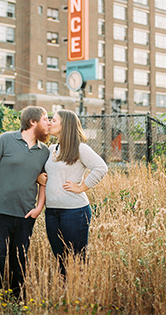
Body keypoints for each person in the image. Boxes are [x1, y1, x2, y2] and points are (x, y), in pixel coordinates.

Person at [0, 106, 50, 297]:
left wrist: (38, 208)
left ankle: (17, 301)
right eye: (45, 119)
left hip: (26, 216)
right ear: (32, 121)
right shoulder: (6, 140)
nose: (49, 123)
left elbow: (45, 180)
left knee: (19, 261)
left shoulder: (44, 151)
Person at [42, 109, 108, 276]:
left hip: (75, 212)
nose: (50, 123)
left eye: (54, 121)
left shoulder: (80, 148)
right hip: (51, 212)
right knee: (60, 258)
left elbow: (101, 168)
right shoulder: (51, 149)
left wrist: (81, 187)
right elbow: (44, 173)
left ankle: (80, 294)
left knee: (78, 258)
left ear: (66, 126)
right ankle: (66, 292)